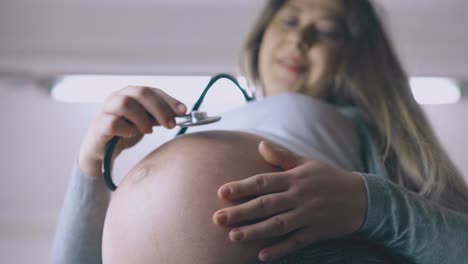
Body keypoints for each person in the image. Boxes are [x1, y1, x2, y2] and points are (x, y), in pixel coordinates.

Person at [51, 0, 468, 263]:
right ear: (262, 35)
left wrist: (370, 204)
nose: (299, 38)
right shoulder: (225, 118)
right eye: (288, 19)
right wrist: (90, 167)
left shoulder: (383, 139)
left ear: (359, 58)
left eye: (326, 31)